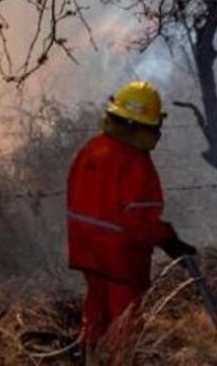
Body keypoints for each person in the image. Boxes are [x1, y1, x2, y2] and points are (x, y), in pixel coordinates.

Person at [67, 80, 196, 357]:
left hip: (89, 254)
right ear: (139, 125)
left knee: (95, 321)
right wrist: (170, 240)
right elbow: (140, 222)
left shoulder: (92, 148)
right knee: (125, 332)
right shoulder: (136, 163)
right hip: (121, 261)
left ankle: (88, 358)